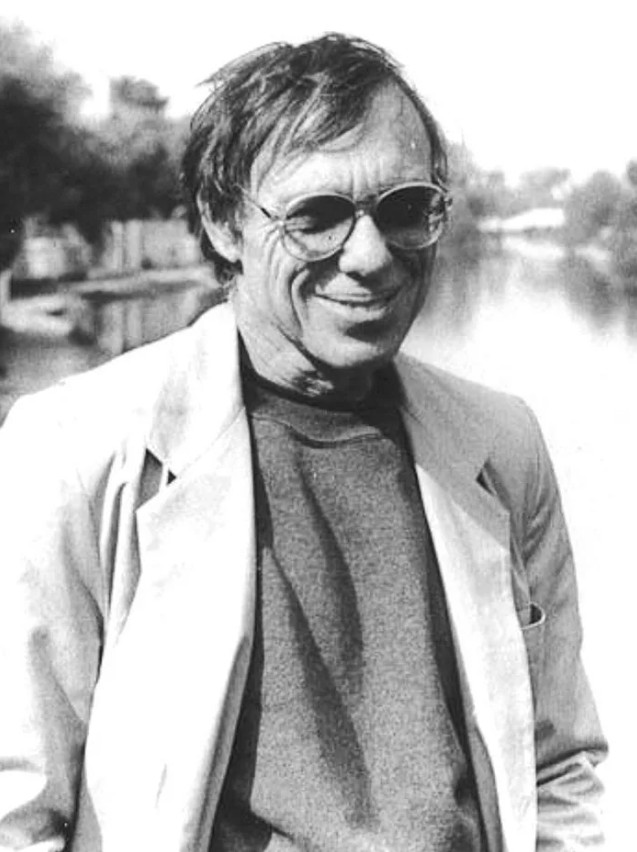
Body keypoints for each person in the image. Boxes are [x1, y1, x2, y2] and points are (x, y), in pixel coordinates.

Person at [0, 33, 606, 852]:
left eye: (404, 210)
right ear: (223, 224)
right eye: (316, 218)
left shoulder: (502, 445)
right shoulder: (74, 451)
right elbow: (16, 808)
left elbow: (557, 766)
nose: (370, 257)